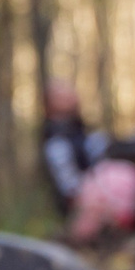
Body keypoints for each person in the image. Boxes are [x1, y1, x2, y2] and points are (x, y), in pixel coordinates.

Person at [38, 78, 109, 220]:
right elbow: (68, 183)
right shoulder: (55, 140)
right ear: (50, 103)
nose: (70, 95)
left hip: (94, 189)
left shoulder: (78, 130)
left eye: (69, 91)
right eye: (62, 94)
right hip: (80, 202)